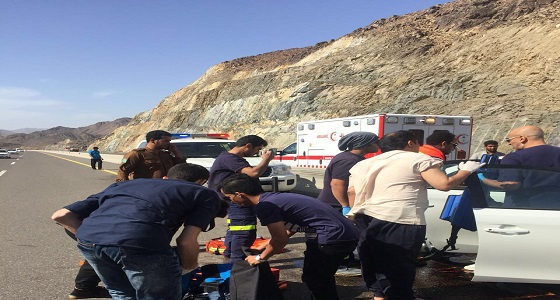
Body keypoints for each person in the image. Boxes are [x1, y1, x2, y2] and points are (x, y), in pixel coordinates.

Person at [51, 163, 229, 300]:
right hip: (140, 244)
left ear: (166, 177)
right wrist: (187, 267)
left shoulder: (125, 185)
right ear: (200, 182)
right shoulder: (203, 193)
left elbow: (60, 215)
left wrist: (93, 237)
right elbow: (186, 241)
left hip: (89, 241)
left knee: (121, 293)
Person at [347, 130, 484, 300]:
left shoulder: (363, 164)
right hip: (400, 218)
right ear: (410, 143)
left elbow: (352, 192)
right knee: (400, 264)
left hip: (364, 216)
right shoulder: (418, 159)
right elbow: (443, 184)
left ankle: (379, 295)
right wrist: (466, 170)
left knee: (374, 260)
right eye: (418, 143)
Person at [219, 174, 360, 300]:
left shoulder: (264, 206)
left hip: (332, 236)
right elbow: (294, 223)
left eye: (229, 197)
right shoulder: (275, 198)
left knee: (316, 279)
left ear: (239, 194)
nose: (231, 201)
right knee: (320, 277)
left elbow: (280, 240)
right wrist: (267, 243)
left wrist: (259, 258)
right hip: (345, 233)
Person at [207, 135, 275, 263]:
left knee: (235, 229)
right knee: (243, 230)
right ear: (248, 145)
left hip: (236, 199)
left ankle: (231, 257)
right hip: (238, 201)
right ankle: (238, 261)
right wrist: (266, 159)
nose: (256, 153)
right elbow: (254, 173)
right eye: (257, 149)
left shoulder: (230, 158)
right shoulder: (230, 159)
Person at [480, 125, 560, 207]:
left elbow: (511, 185)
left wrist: (483, 179)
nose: (509, 143)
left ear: (522, 139)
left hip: (523, 208)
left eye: (509, 140)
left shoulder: (514, 157)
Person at [317, 132, 379, 214]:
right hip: (335, 207)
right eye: (375, 142)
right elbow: (337, 184)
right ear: (364, 144)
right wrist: (345, 206)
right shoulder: (349, 160)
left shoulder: (352, 157)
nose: (378, 144)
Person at [116, 130, 186, 181]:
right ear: (152, 140)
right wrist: (124, 187)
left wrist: (176, 152)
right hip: (146, 189)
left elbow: (181, 168)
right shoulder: (137, 154)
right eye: (165, 141)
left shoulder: (165, 155)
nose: (168, 143)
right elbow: (123, 171)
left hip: (165, 188)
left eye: (169, 141)